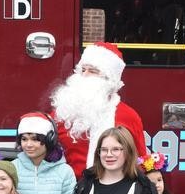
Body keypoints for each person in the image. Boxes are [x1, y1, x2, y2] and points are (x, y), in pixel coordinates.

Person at [51, 41, 149, 177]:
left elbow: (140, 160)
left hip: (113, 192)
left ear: (109, 79)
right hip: (69, 191)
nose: (84, 75)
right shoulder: (64, 112)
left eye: (92, 71)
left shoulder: (127, 116)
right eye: (82, 70)